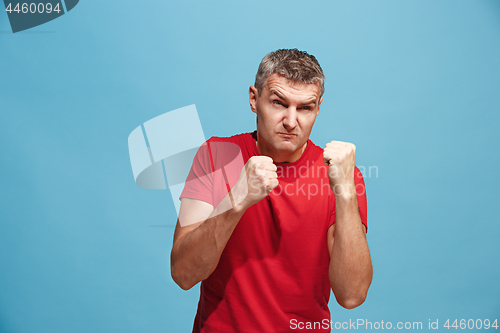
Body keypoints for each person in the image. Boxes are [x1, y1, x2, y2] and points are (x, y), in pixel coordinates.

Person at [170, 49, 373, 332]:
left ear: (318, 108)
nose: (291, 121)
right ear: (254, 99)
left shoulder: (340, 175)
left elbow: (352, 295)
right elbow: (183, 273)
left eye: (305, 108)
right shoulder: (217, 155)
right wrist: (237, 199)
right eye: (279, 103)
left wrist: (346, 191)